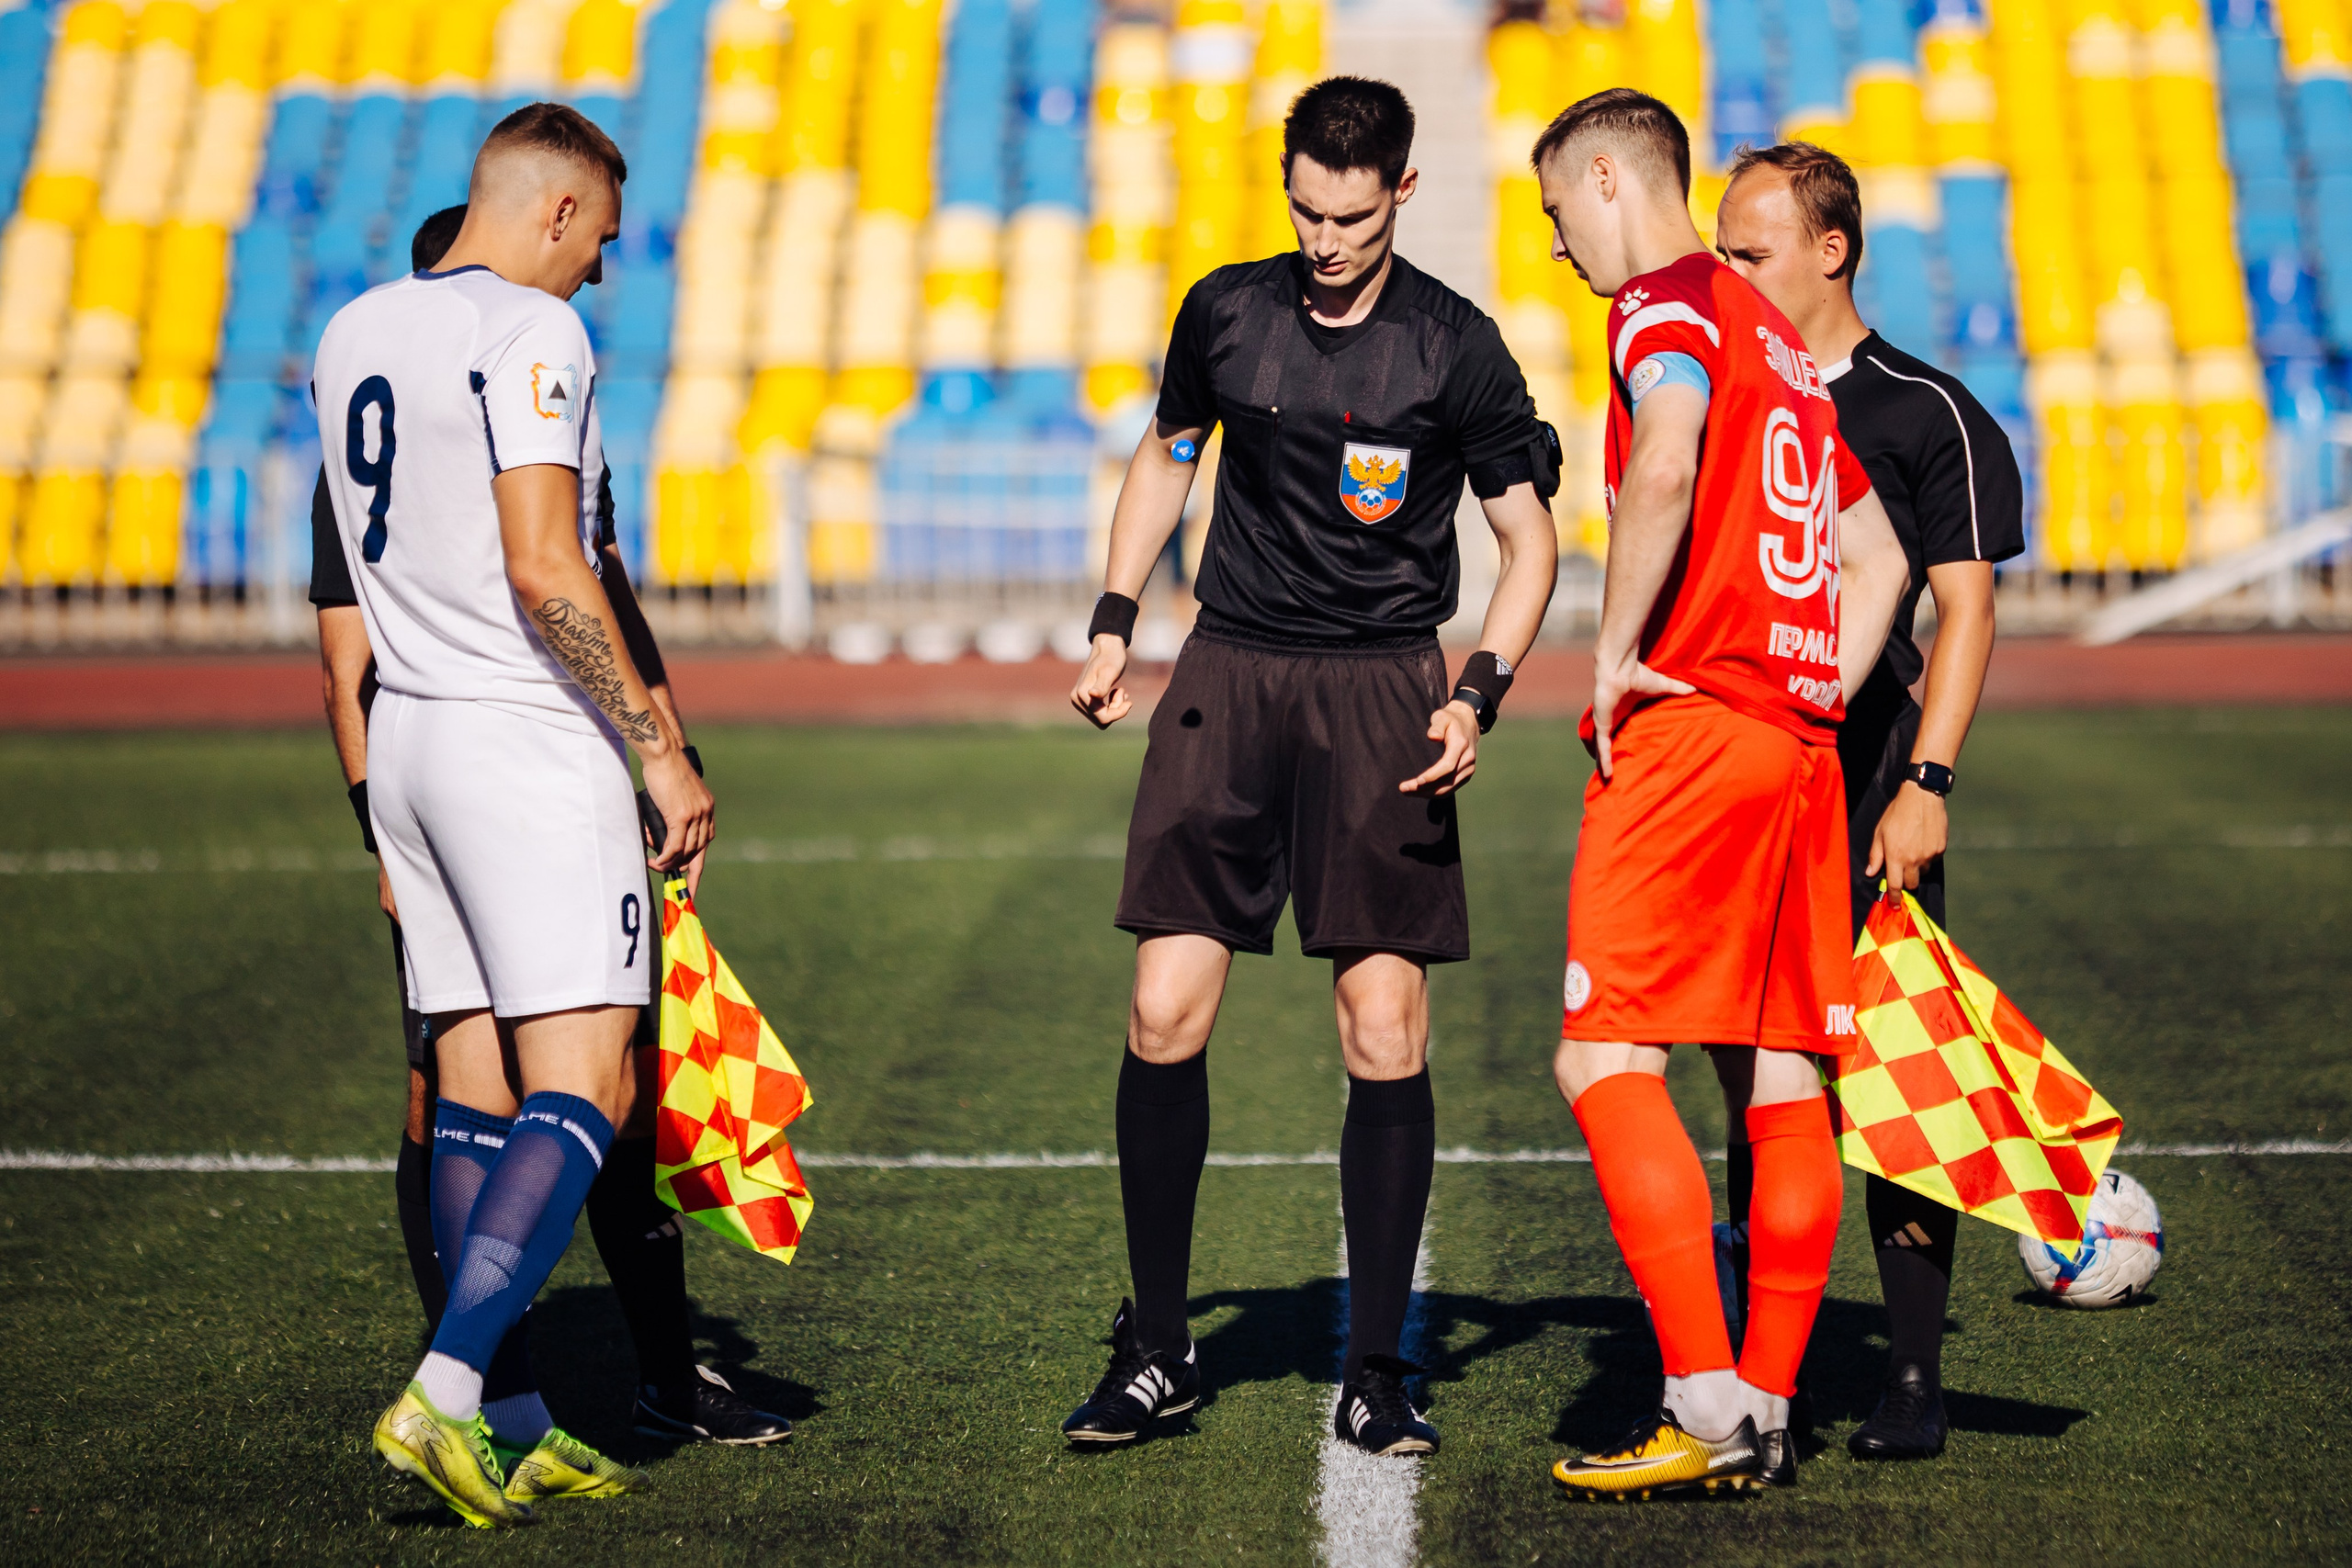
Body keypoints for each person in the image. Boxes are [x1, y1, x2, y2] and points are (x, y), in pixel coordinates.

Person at [1063, 75, 1562, 1458]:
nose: (1325, 238)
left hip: (1387, 693)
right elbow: (1167, 459)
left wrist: (1480, 693)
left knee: (1383, 1032)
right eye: (1304, 208)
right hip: (1228, 672)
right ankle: (1159, 1349)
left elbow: (1531, 548)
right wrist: (1116, 619)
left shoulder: (1457, 351)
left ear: (1401, 192)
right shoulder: (1224, 309)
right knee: (1164, 1010)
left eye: (1350, 214)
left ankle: (1383, 1365)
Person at [313, 203, 797, 1468]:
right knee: (590, 1082)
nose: (598, 270)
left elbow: (380, 634)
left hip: (419, 746)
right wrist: (657, 749)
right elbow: (550, 573)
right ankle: (453, 1381)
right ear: (561, 210)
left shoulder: (360, 343)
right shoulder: (525, 341)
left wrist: (382, 817)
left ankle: (516, 1422)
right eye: (601, 241)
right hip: (521, 746)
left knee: (474, 1086)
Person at [1529, 89, 1910, 1499]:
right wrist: (1817, 691)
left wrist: (1618, 652)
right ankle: (1766, 1399)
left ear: (1613, 177)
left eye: (1561, 210)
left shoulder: (1672, 304)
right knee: (1783, 1072)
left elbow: (1669, 460)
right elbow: (1874, 561)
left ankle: (1700, 1398)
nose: (1561, 246)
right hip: (1799, 748)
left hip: (1695, 737)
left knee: (1603, 1059)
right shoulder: (1789, 347)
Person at [1713, 141, 2025, 1462]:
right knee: (1751, 1080)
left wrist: (1926, 782)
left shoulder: (1923, 410)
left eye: (1752, 250)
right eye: (1721, 250)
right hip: (1736, 789)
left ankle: (1909, 1378)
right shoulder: (1716, 390)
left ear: (1830, 250)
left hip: (1865, 794)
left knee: (1895, 1084)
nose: (1728, 274)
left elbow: (1966, 607)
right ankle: (1753, 1377)